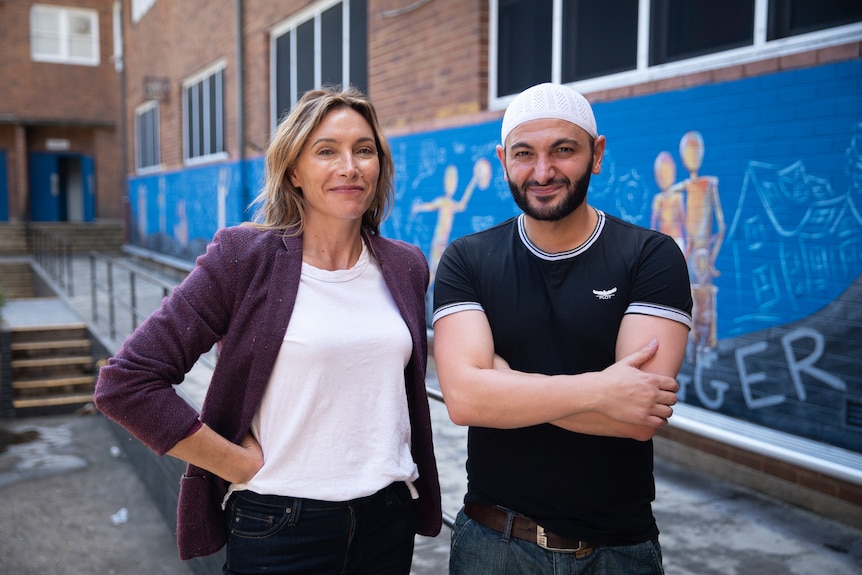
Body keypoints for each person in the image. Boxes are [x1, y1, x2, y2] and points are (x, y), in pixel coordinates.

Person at [95, 86, 442, 574]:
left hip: (388, 519)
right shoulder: (243, 258)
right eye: (326, 151)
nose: (350, 166)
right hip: (280, 523)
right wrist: (233, 464)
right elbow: (126, 383)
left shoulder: (405, 265)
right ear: (294, 171)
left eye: (364, 150)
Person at [432, 82, 693, 574]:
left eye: (563, 150)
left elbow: (636, 417)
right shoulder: (468, 259)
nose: (543, 171)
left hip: (618, 550)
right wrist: (602, 389)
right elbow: (466, 401)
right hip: (494, 543)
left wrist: (504, 385)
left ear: (596, 154)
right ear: (503, 159)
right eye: (524, 154)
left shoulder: (650, 256)